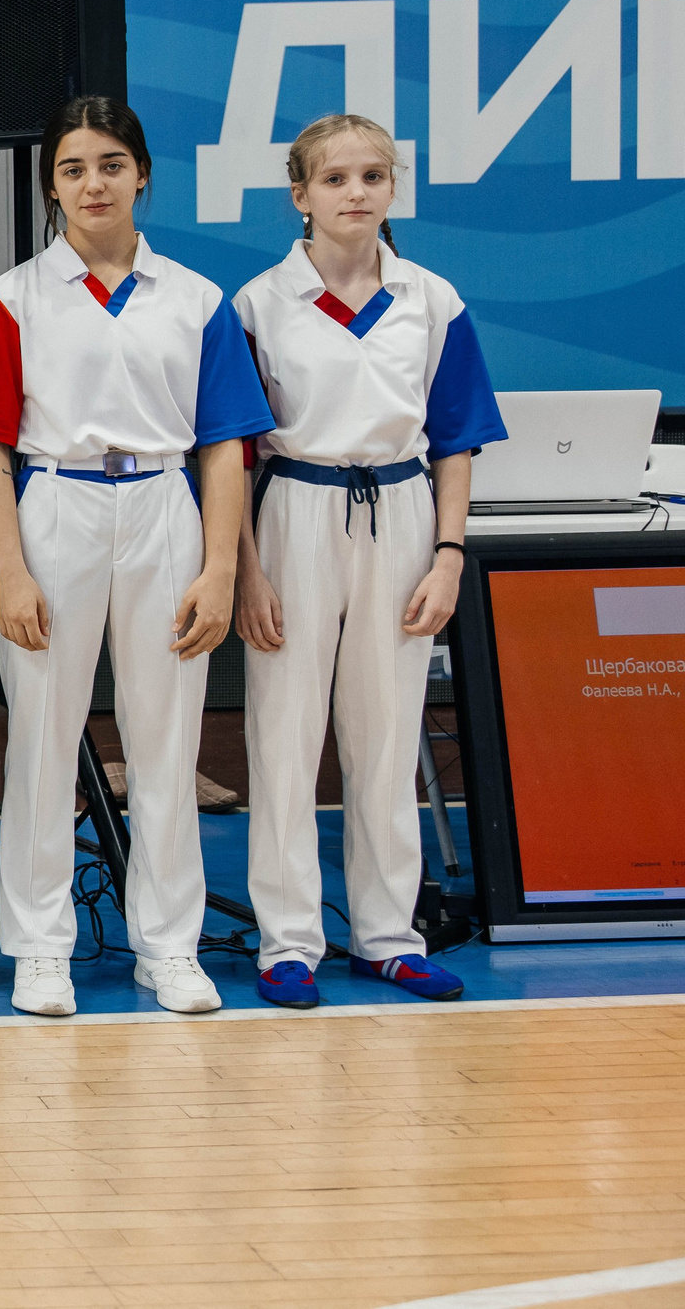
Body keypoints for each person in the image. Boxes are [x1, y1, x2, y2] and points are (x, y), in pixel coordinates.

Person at [0, 96, 274, 1019]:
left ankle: (168, 946)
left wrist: (219, 569)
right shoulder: (11, 297)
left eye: (108, 164)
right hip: (56, 504)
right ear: (51, 185)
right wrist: (10, 569)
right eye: (71, 168)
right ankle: (41, 947)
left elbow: (224, 445)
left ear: (141, 174)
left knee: (168, 743)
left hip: (164, 509)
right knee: (45, 743)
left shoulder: (197, 299)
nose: (92, 183)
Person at [234, 114, 505, 1011]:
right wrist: (244, 569)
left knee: (388, 733)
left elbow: (457, 438)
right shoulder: (256, 305)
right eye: (337, 179)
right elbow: (230, 453)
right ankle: (288, 942)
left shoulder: (433, 298)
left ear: (393, 189)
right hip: (294, 507)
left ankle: (389, 934)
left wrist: (449, 554)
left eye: (374, 177)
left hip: (402, 508)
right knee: (284, 729)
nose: (357, 193)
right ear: (299, 195)